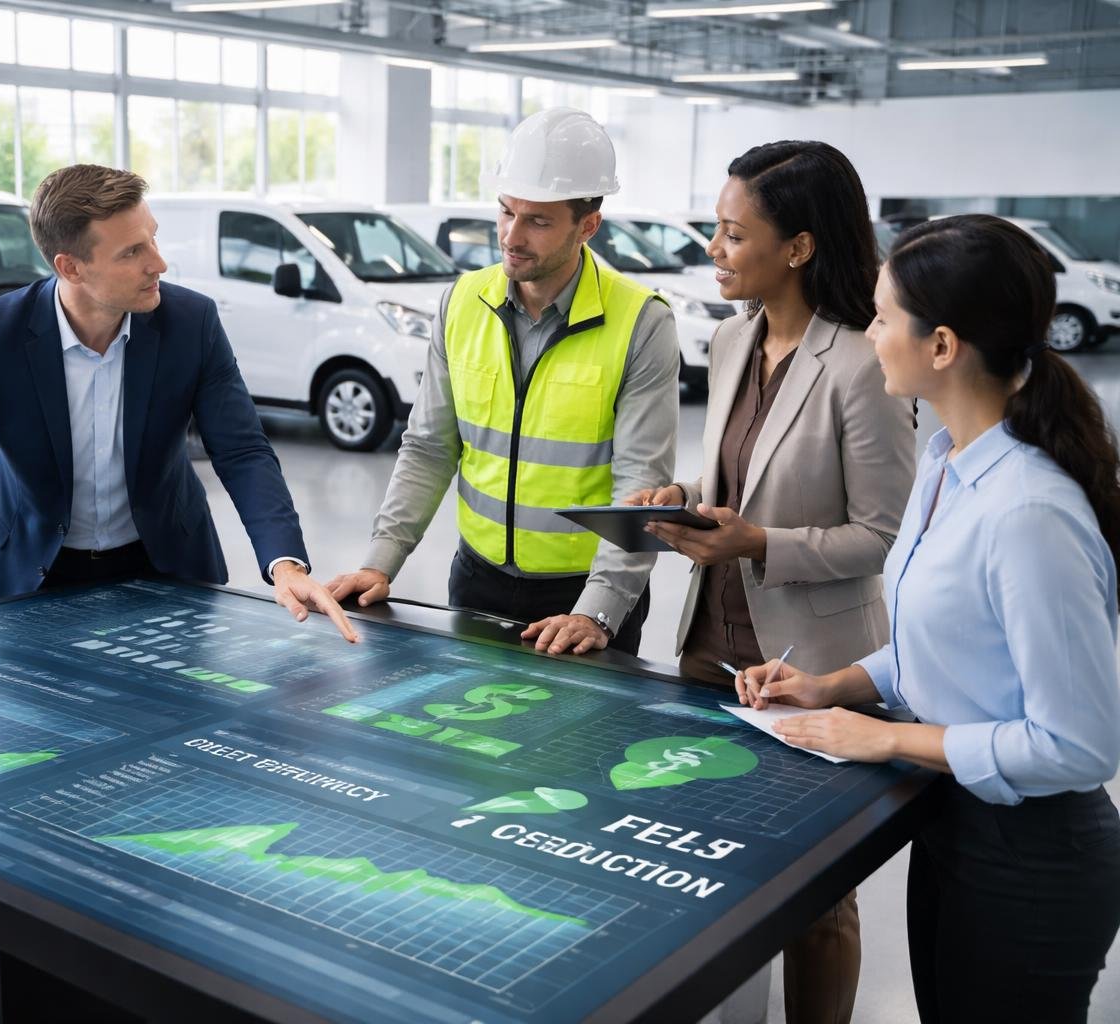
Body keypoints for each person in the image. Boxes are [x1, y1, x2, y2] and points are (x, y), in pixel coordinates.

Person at [738, 214, 1120, 1023]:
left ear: (941, 345)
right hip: (952, 824)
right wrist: (833, 686)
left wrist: (885, 736)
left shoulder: (1029, 512)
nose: (869, 334)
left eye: (881, 317)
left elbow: (1079, 744)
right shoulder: (945, 463)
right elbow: (940, 646)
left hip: (1034, 859)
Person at [0, 164, 356, 652]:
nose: (159, 264)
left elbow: (242, 450)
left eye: (153, 241)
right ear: (70, 268)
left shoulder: (191, 324)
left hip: (164, 558)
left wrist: (285, 562)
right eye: (132, 253)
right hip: (32, 568)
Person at [632, 140, 916, 1024]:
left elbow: (885, 532)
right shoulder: (728, 338)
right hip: (711, 652)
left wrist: (758, 544)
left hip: (818, 666)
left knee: (816, 904)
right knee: (708, 869)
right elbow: (738, 482)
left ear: (797, 247)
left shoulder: (863, 361)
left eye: (731, 233)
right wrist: (685, 501)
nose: (713, 248)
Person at [328, 108, 679, 657]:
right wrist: (380, 560)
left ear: (588, 225)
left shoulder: (641, 322)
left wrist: (599, 611)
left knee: (580, 745)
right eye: (506, 211)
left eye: (538, 220)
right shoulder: (462, 301)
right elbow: (428, 448)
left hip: (582, 599)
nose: (512, 236)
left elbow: (640, 489)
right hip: (476, 579)